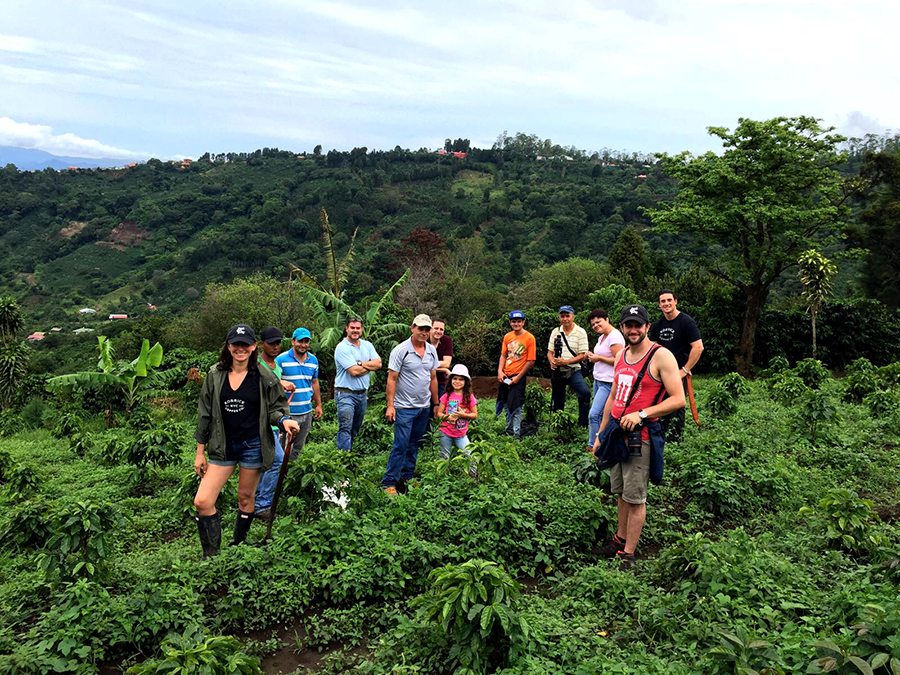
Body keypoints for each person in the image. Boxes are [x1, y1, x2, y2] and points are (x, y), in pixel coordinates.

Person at [193, 324, 300, 558]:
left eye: (245, 344)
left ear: (253, 347)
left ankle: (237, 546)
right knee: (202, 501)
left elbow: (275, 409)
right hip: (223, 447)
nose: (240, 349)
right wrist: (200, 452)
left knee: (245, 497)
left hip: (253, 445)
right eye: (235, 344)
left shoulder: (265, 377)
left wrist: (284, 421)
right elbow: (205, 414)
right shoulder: (215, 375)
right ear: (228, 347)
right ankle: (210, 555)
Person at [593, 305, 685, 570]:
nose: (633, 330)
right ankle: (620, 539)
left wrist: (642, 414)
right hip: (616, 435)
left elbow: (678, 399)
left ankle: (628, 555)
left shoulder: (661, 356)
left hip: (640, 436)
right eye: (628, 325)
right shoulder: (621, 355)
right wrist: (601, 432)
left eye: (638, 325)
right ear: (622, 328)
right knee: (621, 492)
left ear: (647, 327)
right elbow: (613, 396)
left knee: (635, 497)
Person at [383, 314, 439, 495]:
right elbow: (392, 379)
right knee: (401, 444)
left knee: (414, 444)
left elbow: (433, 377)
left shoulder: (431, 351)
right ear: (412, 328)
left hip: (424, 407)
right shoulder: (401, 350)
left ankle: (407, 477)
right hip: (404, 407)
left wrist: (436, 403)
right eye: (420, 329)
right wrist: (390, 406)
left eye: (427, 329)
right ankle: (389, 482)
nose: (424, 333)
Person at [649, 289, 704, 443]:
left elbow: (698, 347)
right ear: (659, 305)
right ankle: (660, 438)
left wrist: (684, 370)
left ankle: (675, 441)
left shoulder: (686, 322)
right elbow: (651, 349)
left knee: (676, 406)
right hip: (659, 374)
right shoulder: (657, 325)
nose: (666, 303)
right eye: (663, 301)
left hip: (678, 372)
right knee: (660, 405)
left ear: (675, 301)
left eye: (669, 300)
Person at [253, 326, 295, 520]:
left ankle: (256, 500)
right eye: (271, 343)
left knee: (267, 463)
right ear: (262, 344)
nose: (276, 346)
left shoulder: (276, 366)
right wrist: (280, 383)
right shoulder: (255, 364)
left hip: (274, 421)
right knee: (276, 459)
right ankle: (262, 505)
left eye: (278, 343)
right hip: (259, 423)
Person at [333, 317, 382, 452]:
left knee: (355, 428)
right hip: (345, 394)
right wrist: (368, 366)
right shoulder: (342, 347)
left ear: (361, 330)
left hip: (362, 394)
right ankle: (343, 459)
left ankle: (350, 454)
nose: (355, 330)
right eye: (352, 328)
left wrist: (360, 363)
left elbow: (379, 363)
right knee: (345, 428)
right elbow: (353, 371)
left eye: (358, 328)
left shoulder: (367, 345)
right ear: (347, 329)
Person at [275, 328, 323, 460]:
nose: (303, 345)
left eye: (306, 341)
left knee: (298, 446)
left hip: (306, 411)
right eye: (300, 341)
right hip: (288, 413)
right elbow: (271, 381)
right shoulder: (281, 359)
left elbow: (314, 383)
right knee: (282, 447)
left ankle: (290, 472)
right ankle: (279, 475)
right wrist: (281, 382)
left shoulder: (313, 360)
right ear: (292, 342)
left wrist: (318, 405)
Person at [584, 309, 625, 451]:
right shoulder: (603, 337)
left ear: (607, 319)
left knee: (594, 414)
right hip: (598, 380)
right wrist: (592, 356)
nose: (595, 325)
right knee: (600, 415)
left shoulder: (614, 336)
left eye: (598, 322)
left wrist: (599, 358)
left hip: (608, 383)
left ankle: (593, 446)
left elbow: (620, 361)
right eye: (593, 324)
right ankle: (602, 442)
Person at [547, 305, 591, 428]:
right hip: (558, 370)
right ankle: (558, 424)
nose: (565, 319)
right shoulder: (555, 331)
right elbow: (550, 351)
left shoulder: (580, 332)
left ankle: (583, 423)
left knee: (585, 392)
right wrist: (552, 361)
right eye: (562, 316)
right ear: (559, 317)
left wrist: (566, 362)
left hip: (573, 369)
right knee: (558, 397)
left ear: (573, 316)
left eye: (567, 316)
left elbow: (583, 355)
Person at [497, 310, 536, 438]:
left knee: (517, 405)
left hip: (518, 375)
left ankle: (516, 433)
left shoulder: (529, 338)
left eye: (519, 321)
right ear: (510, 323)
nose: (516, 324)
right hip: (506, 374)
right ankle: (508, 430)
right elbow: (503, 355)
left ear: (523, 322)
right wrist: (500, 371)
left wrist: (518, 377)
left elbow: (530, 361)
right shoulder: (508, 336)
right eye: (514, 321)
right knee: (507, 403)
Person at [436, 364, 478, 472]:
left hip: (461, 434)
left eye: (461, 379)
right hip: (445, 432)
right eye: (455, 378)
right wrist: (447, 417)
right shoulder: (446, 396)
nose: (457, 381)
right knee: (444, 456)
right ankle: (442, 479)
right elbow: (439, 413)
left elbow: (475, 415)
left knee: (470, 455)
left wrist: (463, 415)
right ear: (450, 380)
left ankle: (473, 477)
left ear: (466, 382)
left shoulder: (469, 397)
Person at [429, 319, 454, 400]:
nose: (438, 331)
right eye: (436, 328)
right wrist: (444, 369)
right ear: (430, 329)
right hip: (424, 381)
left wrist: (427, 364)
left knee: (439, 407)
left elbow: (446, 363)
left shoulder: (447, 341)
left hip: (440, 382)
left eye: (441, 329)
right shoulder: (424, 340)